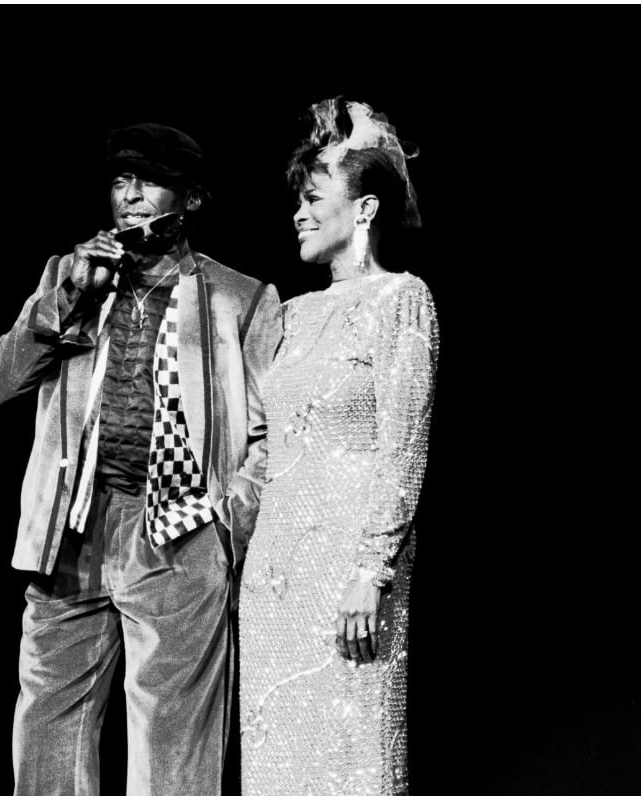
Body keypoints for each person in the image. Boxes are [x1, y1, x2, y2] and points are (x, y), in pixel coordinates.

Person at [0, 122, 282, 795]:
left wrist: (224, 525)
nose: (130, 195)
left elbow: (269, 439)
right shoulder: (72, 276)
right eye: (120, 180)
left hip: (176, 534)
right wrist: (69, 300)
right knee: (47, 733)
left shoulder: (243, 297)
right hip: (74, 530)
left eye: (147, 180)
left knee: (173, 751)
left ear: (192, 198)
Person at [238, 98, 439, 795]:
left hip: (350, 577)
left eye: (315, 197)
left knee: (352, 760)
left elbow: (403, 446)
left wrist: (372, 570)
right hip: (272, 582)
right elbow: (259, 447)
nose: (299, 212)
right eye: (297, 199)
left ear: (365, 210)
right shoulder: (287, 316)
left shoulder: (401, 300)